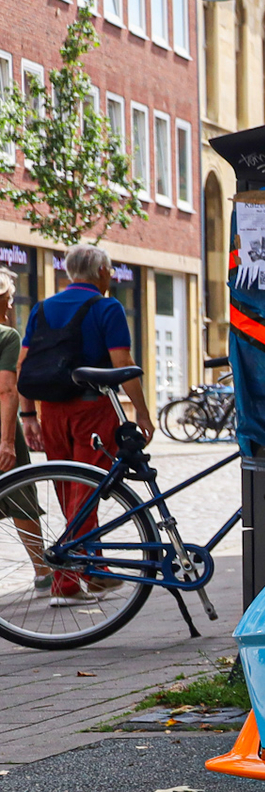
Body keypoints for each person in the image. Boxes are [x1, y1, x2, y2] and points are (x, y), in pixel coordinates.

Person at [21, 246, 152, 604]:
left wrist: (28, 414)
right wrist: (141, 412)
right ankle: (66, 579)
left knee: (69, 490)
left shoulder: (41, 308)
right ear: (103, 272)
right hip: (92, 409)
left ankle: (92, 573)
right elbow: (121, 360)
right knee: (88, 491)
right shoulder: (107, 308)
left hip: (51, 411)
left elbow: (24, 362)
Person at [0, 280, 51, 595]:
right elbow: (6, 390)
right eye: (9, 298)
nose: (11, 304)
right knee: (21, 497)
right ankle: (43, 572)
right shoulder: (6, 336)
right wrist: (6, 441)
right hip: (1, 426)